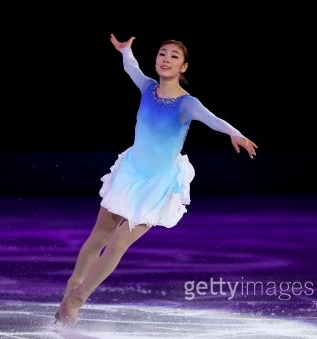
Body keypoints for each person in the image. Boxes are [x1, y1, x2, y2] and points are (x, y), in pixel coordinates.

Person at [54, 33, 258, 326]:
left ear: (183, 67)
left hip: (157, 184)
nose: (166, 59)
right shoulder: (148, 88)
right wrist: (126, 52)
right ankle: (71, 289)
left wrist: (235, 133)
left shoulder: (187, 104)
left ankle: (75, 301)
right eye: (163, 54)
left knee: (119, 242)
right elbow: (132, 70)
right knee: (99, 235)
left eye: (174, 56)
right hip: (131, 172)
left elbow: (213, 118)